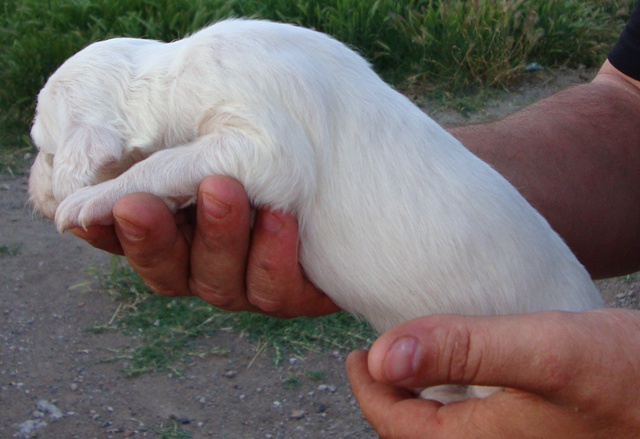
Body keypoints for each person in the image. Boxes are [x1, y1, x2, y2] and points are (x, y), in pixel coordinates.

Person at [71, 3, 640, 437]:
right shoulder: (238, 52)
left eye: (50, 152)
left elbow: (263, 157)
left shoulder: (227, 57)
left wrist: (122, 187)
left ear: (89, 142)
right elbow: (629, 103)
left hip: (551, 344)